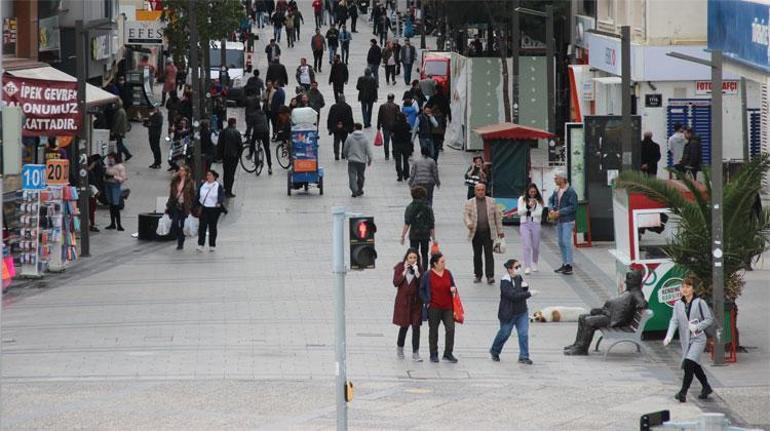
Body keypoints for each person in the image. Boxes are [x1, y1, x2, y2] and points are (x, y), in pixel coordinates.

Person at [564, 270, 647, 355]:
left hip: (614, 320)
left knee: (589, 321)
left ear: (635, 281)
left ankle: (582, 349)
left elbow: (643, 303)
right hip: (610, 316)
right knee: (582, 317)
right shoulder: (630, 291)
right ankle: (578, 345)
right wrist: (601, 310)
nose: (626, 281)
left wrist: (639, 306)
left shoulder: (636, 293)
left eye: (629, 279)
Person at [664, 277, 714, 403]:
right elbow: (674, 320)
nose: (685, 289)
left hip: (698, 339)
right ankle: (706, 387)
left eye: (688, 286)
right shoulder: (678, 304)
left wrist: (697, 326)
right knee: (694, 365)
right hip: (686, 340)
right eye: (683, 287)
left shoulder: (700, 302)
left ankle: (683, 392)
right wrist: (669, 335)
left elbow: (709, 319)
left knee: (688, 364)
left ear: (693, 288)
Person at [490, 259, 534, 364]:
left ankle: (524, 356)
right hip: (508, 313)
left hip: (522, 311)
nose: (519, 269)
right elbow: (512, 296)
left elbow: (522, 291)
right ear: (509, 269)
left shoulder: (519, 277)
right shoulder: (505, 281)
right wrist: (529, 294)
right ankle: (494, 350)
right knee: (505, 333)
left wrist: (526, 287)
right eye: (516, 267)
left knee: (523, 333)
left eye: (519, 266)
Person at [419, 252, 458, 363]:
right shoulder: (428, 275)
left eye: (444, 261)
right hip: (434, 307)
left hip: (448, 307)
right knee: (433, 331)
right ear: (435, 264)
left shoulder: (448, 273)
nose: (444, 263)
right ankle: (433, 354)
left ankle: (448, 353)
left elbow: (453, 285)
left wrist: (453, 289)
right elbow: (421, 289)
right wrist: (427, 301)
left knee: (450, 329)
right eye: (442, 262)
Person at [464, 182, 504, 284]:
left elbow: (497, 217)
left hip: (488, 231)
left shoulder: (492, 201)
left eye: (482, 190)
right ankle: (478, 275)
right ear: (475, 191)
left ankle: (490, 276)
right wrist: (469, 223)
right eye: (478, 190)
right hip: (476, 232)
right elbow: (466, 216)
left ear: (485, 190)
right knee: (477, 255)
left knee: (489, 254)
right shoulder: (469, 202)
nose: (481, 192)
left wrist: (500, 231)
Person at [392, 248, 424, 362]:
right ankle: (400, 348)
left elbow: (422, 285)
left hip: (416, 302)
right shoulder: (400, 267)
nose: (412, 260)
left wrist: (417, 273)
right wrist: (404, 272)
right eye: (410, 257)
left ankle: (416, 352)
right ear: (406, 258)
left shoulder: (419, 268)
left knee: (416, 327)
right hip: (404, 301)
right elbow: (395, 282)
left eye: (415, 257)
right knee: (404, 325)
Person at [548, 168, 578, 275]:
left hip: (567, 220)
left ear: (563, 179)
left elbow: (573, 207)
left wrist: (559, 212)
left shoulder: (570, 191)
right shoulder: (556, 190)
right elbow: (550, 200)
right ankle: (565, 263)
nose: (555, 179)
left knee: (566, 241)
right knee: (560, 242)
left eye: (556, 178)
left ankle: (569, 265)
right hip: (559, 220)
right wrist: (551, 209)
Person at [401, 186, 434, 270]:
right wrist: (434, 238)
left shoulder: (410, 207)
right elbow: (431, 224)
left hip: (414, 234)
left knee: (413, 253)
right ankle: (424, 271)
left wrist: (403, 236)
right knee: (425, 254)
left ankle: (414, 269)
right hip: (425, 234)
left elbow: (407, 223)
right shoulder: (428, 207)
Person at [195, 169, 226, 252]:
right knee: (202, 226)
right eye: (207, 175)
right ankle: (200, 244)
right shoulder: (203, 185)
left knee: (212, 227)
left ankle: (212, 244)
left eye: (210, 175)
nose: (208, 176)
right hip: (204, 208)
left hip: (214, 209)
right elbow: (198, 195)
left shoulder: (218, 186)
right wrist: (195, 205)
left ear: (214, 177)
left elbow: (221, 196)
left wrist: (219, 202)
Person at [166, 165, 196, 250]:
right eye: (180, 170)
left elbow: (192, 195)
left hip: (184, 206)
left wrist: (192, 206)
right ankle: (175, 236)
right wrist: (168, 205)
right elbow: (171, 195)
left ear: (186, 172)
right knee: (175, 222)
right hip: (176, 205)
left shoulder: (190, 182)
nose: (180, 172)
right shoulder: (175, 181)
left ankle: (180, 242)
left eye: (182, 170)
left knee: (182, 225)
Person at [518, 184, 543, 275]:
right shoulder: (522, 199)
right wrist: (528, 207)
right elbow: (520, 212)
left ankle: (534, 262)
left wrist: (534, 205)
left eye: (534, 192)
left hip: (535, 223)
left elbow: (539, 213)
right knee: (527, 245)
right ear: (528, 191)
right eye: (531, 192)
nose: (532, 194)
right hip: (524, 223)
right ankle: (527, 266)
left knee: (535, 246)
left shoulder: (539, 200)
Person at [343, 123, 373, 197]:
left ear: (354, 128)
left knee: (352, 175)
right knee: (361, 175)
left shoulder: (350, 138)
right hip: (362, 161)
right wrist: (370, 159)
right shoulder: (365, 138)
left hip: (352, 160)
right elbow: (368, 150)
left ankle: (354, 190)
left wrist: (346, 155)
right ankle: (359, 189)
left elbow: (345, 148)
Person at [217, 118, 243, 198]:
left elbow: (220, 145)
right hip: (234, 156)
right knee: (231, 174)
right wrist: (239, 155)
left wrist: (220, 156)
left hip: (226, 156)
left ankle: (225, 189)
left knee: (226, 173)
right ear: (234, 124)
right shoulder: (237, 132)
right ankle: (229, 190)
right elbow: (240, 146)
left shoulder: (223, 132)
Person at [103, 152, 127, 231]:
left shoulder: (120, 167)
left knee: (115, 204)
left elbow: (123, 178)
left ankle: (119, 224)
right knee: (111, 205)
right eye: (108, 158)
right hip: (108, 185)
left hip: (115, 186)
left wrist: (114, 177)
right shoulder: (108, 166)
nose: (110, 160)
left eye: (111, 158)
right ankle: (112, 223)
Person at [327, 94, 354, 160]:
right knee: (344, 141)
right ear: (344, 99)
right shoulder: (348, 107)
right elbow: (350, 118)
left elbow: (330, 118)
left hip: (336, 127)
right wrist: (351, 128)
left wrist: (329, 127)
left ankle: (336, 154)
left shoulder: (333, 107)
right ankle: (343, 154)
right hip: (345, 127)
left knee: (336, 141)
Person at [376, 93, 399, 159]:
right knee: (394, 141)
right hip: (394, 127)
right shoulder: (396, 106)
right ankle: (394, 154)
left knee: (386, 141)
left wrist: (378, 126)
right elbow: (398, 117)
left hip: (385, 126)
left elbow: (379, 117)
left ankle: (387, 155)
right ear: (393, 98)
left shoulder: (382, 106)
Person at [391, 112, 412, 181]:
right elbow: (410, 134)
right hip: (406, 145)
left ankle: (399, 175)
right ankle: (406, 175)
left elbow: (392, 134)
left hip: (397, 145)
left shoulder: (395, 125)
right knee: (406, 160)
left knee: (398, 161)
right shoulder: (407, 125)